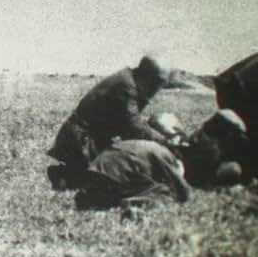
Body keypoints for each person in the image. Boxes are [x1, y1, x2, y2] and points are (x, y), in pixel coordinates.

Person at [47, 55, 169, 190]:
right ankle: (66, 176)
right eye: (157, 83)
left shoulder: (128, 81)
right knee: (104, 183)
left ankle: (70, 174)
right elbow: (134, 127)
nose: (156, 90)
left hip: (88, 139)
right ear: (146, 77)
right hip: (81, 141)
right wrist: (165, 141)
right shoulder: (126, 87)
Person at [74, 139, 191, 210]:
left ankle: (93, 196)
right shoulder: (166, 155)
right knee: (163, 192)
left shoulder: (147, 145)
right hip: (117, 175)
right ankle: (134, 201)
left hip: (95, 170)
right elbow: (182, 190)